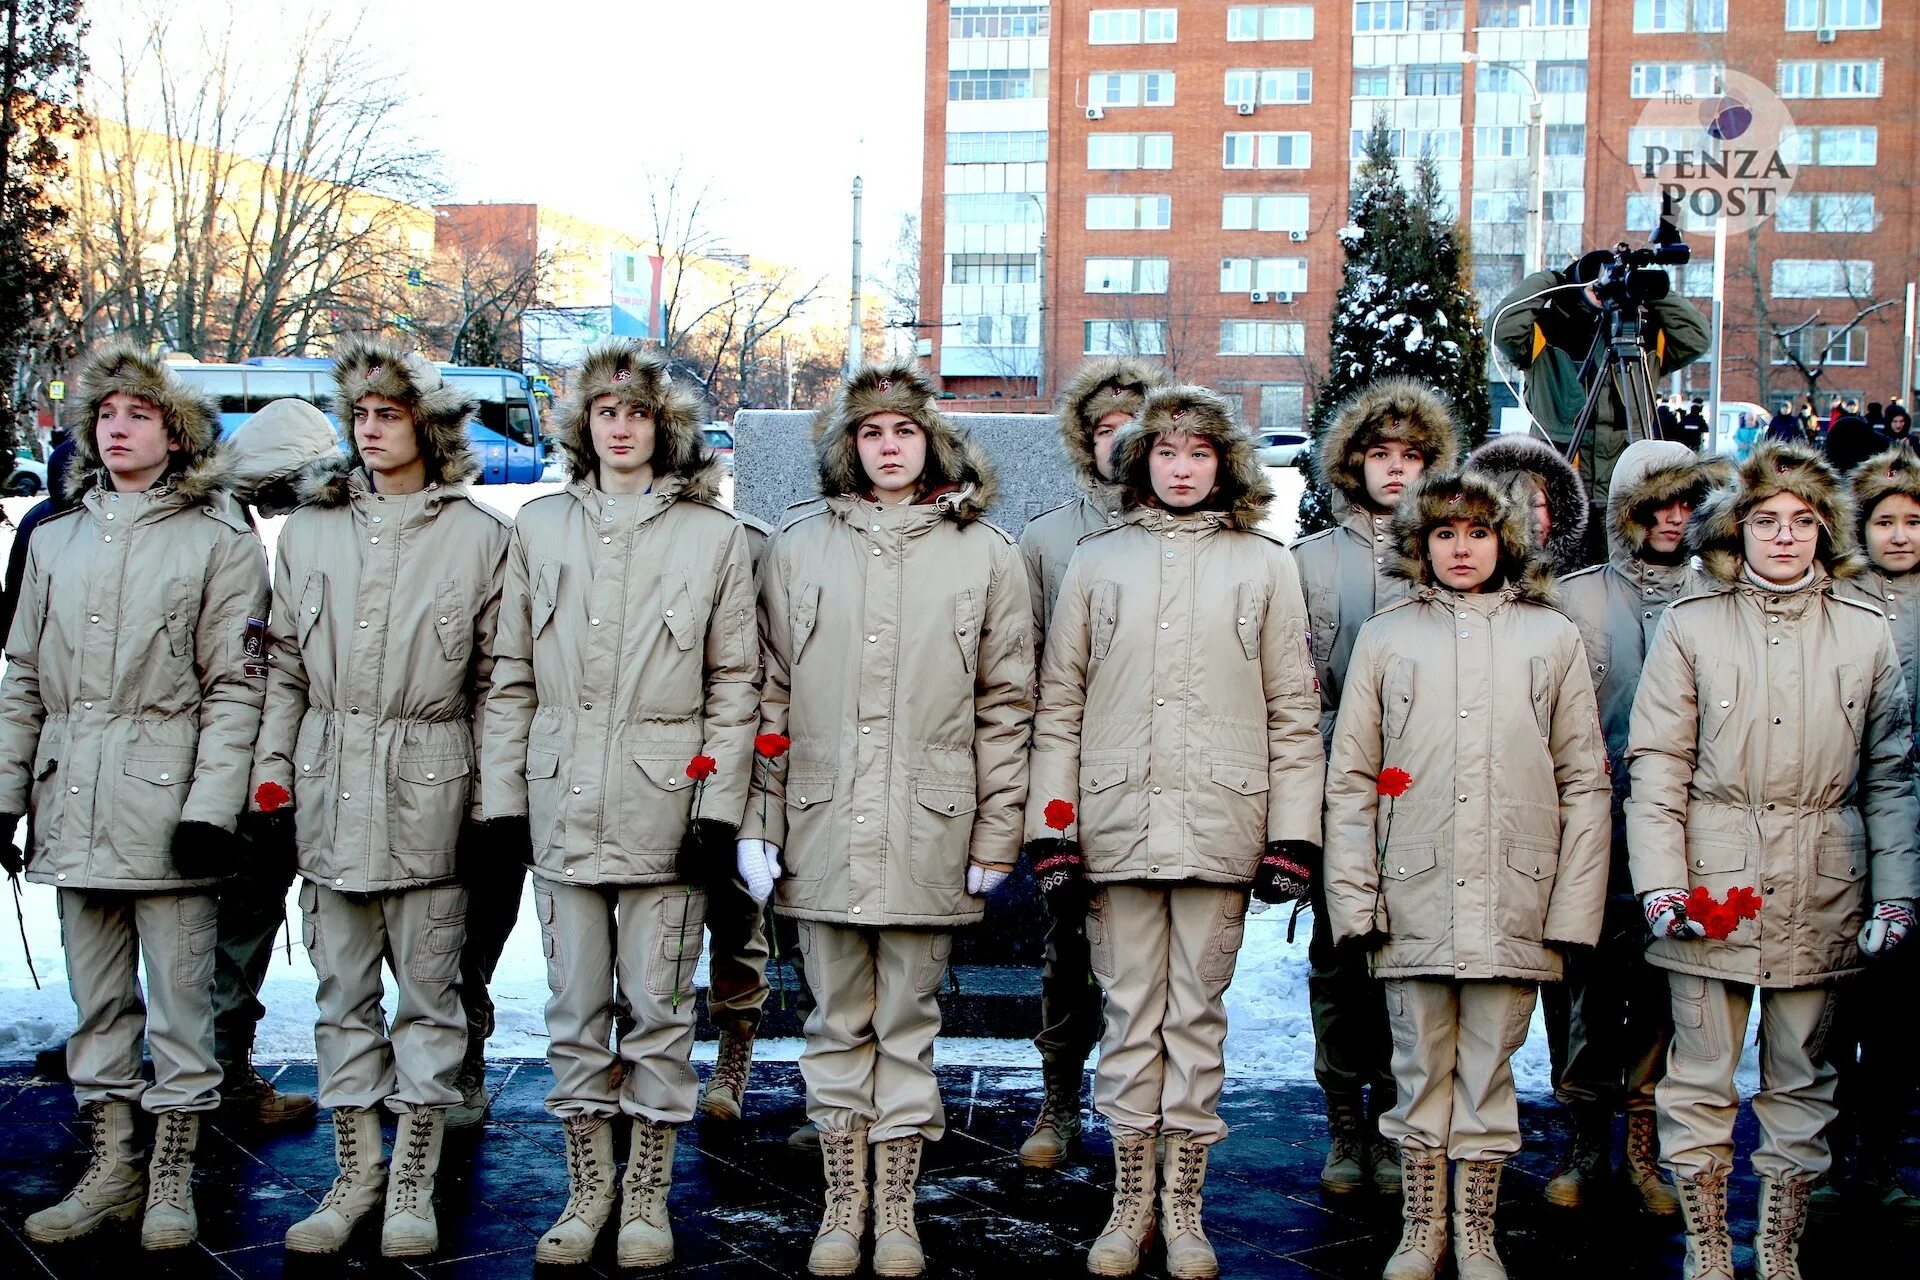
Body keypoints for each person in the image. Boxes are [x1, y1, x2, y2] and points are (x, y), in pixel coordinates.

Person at [740, 361, 1033, 1278]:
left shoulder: (986, 553)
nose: (889, 447)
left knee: (907, 1017)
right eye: (870, 433)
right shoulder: (800, 547)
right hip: (822, 820)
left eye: (904, 431)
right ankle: (841, 1202)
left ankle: (896, 1207)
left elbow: (1007, 703)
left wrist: (995, 835)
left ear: (931, 442)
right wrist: (758, 821)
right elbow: (770, 694)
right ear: (849, 448)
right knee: (834, 1021)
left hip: (929, 827)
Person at [1027, 385, 1323, 1278]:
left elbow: (1293, 711)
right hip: (1117, 825)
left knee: (1196, 1015)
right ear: (1141, 463)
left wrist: (1293, 835)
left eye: (1199, 453)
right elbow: (1061, 705)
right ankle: (1127, 1204)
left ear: (1223, 463)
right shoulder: (1097, 561)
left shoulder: (1265, 565)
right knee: (1128, 1014)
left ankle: (1183, 1205)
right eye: (1166, 453)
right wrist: (1055, 828)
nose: (1183, 469)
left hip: (1219, 825)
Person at [482, 341, 757, 1266]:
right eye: (605, 412)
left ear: (663, 430)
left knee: (659, 1011)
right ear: (584, 427)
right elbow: (510, 673)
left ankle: (646, 1191)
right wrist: (503, 799)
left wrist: (717, 809)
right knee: (571, 1010)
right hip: (563, 803)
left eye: (638, 413)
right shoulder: (540, 527)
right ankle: (586, 1186)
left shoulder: (712, 537)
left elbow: (734, 684)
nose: (622, 427)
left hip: (664, 810)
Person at [1626, 441, 1919, 1280]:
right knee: (1699, 1081)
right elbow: (1658, 767)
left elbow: (1889, 775)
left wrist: (1895, 896)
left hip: (1823, 887)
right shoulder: (1692, 625)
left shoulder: (1864, 635)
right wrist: (1661, 883)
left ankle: (1780, 1249)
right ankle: (1710, 1248)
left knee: (1802, 1083)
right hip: (1710, 887)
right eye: (1766, 522)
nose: (1784, 538)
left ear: (1825, 533)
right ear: (1739, 531)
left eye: (1802, 522)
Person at [0, 340, 269, 1249]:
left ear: (176, 433)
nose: (118, 430)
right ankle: (110, 1167)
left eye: (139, 415)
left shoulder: (219, 540)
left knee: (183, 1012)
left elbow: (238, 686)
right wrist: (6, 796)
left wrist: (208, 808)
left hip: (167, 811)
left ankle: (170, 1175)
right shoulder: (56, 538)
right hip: (71, 802)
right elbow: (24, 676)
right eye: (105, 416)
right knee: (98, 1008)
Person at [252, 339, 511, 1258]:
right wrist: (271, 773)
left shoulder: (481, 536)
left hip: (431, 792)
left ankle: (413, 1179)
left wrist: (493, 803)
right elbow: (281, 663)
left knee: (432, 997)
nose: (369, 431)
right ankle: (354, 1170)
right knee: (340, 994)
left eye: (388, 415)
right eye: (358, 415)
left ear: (427, 428)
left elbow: (497, 681)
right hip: (329, 791)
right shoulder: (311, 532)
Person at [1324, 467, 1610, 1280]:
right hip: (1412, 884)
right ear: (1420, 542)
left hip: (1514, 888)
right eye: (1445, 533)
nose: (1461, 548)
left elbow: (1583, 779)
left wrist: (1572, 904)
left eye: (1478, 533)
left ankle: (1476, 1225)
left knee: (1489, 1064)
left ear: (1506, 541)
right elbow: (1352, 778)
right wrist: (1356, 894)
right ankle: (1422, 1226)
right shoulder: (1386, 636)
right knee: (1419, 1062)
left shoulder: (1549, 637)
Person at [1546, 440, 1728, 1215]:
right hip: (1590, 832)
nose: (1674, 519)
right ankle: (1584, 1143)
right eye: (1657, 504)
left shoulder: (1716, 599)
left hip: (1686, 833)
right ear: (1627, 511)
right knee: (1583, 993)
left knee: (1662, 993)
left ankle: (1643, 1146)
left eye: (1688, 503)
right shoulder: (1575, 599)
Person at [1293, 377, 1460, 1197]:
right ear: (1354, 463)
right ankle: (1345, 1124)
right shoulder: (1311, 561)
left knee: (1411, 962)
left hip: (1432, 794)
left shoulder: (1454, 550)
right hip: (1338, 791)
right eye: (1380, 454)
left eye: (1413, 456)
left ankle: (1399, 1122)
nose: (1396, 470)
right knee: (1340, 962)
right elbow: (1291, 689)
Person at [1014, 354, 1168, 1170]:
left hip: (1166, 776)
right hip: (1077, 777)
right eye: (1104, 430)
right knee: (1068, 949)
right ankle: (1058, 1100)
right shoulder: (1045, 539)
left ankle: (1149, 1118)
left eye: (1133, 429)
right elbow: (1028, 664)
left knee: (1158, 968)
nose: (1121, 444)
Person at [207, 397, 346, 1130]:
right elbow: (248, 669)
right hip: (232, 773)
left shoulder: (220, 520)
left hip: (213, 764)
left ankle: (212, 1073)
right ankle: (223, 1079)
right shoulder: (229, 535)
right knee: (236, 930)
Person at [1819, 447, 1920, 1224]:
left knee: (1897, 1021)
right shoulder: (1841, 598)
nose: (1899, 535)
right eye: (1884, 521)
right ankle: (1822, 1155)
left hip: (1911, 828)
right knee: (1832, 1010)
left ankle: (1881, 1157)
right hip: (1841, 823)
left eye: (1913, 520)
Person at [1492, 256, 1708, 532]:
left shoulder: (1644, 333)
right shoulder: (1550, 327)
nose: (1603, 290)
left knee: (1625, 565)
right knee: (1561, 566)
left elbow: (1696, 337)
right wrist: (1553, 281)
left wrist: (1648, 289)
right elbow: (1502, 326)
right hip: (1560, 471)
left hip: (1627, 473)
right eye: (1595, 284)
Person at [1465, 434, 1589, 573]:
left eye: (1537, 504)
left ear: (1558, 511)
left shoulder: (1585, 580)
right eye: (1513, 505)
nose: (1529, 518)